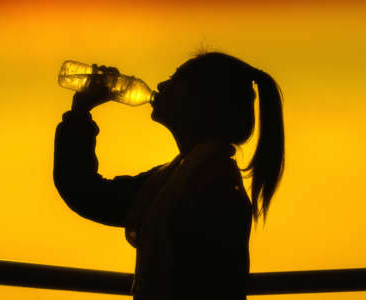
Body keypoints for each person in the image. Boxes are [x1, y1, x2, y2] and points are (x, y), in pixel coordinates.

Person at [53, 51, 285, 300]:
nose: (162, 85)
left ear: (201, 102)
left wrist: (79, 116)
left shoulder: (210, 187)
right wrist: (80, 111)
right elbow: (87, 192)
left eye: (175, 80)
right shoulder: (174, 179)